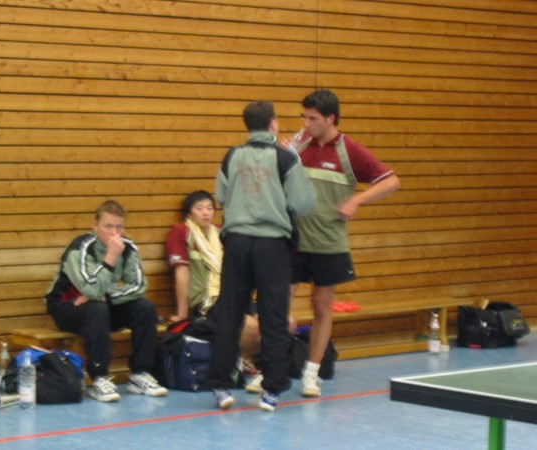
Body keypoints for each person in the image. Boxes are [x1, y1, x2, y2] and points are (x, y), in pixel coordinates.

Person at [288, 89, 401, 398]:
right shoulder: (300, 145)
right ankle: (271, 366)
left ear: (330, 118)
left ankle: (312, 373)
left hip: (328, 243)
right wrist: (284, 153)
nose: (306, 123)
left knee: (321, 307)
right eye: (304, 117)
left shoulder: (350, 150)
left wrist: (357, 200)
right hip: (294, 241)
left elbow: (391, 181)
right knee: (278, 307)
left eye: (312, 119)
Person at [207, 100, 316, 412]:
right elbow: (304, 204)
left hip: (237, 244)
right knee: (273, 316)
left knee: (230, 313)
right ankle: (272, 390)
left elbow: (221, 195)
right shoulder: (286, 158)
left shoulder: (232, 156)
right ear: (273, 124)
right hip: (271, 246)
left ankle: (220, 386)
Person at [45, 200, 168, 402]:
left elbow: (138, 286)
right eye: (108, 226)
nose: (114, 233)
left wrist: (108, 296)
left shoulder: (128, 248)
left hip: (103, 306)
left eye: (119, 227)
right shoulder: (79, 248)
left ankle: (140, 373)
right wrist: (110, 256)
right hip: (67, 307)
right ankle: (99, 377)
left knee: (145, 307)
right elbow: (92, 290)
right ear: (95, 226)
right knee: (97, 308)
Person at [166, 190, 261, 368]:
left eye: (210, 208)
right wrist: (182, 313)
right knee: (252, 328)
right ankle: (235, 365)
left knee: (284, 324)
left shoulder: (221, 232)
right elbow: (181, 272)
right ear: (189, 213)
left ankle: (241, 360)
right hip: (208, 301)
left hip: (234, 296)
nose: (206, 212)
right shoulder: (182, 232)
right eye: (199, 208)